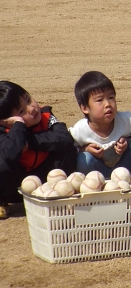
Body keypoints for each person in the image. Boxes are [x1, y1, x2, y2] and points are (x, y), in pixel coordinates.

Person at [0, 81, 77, 219]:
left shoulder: (47, 116)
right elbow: (9, 155)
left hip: (46, 180)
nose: (31, 109)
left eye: (28, 100)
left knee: (67, 150)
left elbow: (64, 137)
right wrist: (19, 125)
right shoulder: (3, 130)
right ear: (6, 121)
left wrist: (29, 142)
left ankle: (61, 193)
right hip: (15, 190)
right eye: (21, 111)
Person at [69, 71, 131, 178]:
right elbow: (68, 151)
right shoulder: (79, 131)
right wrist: (84, 149)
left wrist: (128, 140)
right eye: (99, 100)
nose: (107, 104)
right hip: (98, 175)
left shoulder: (126, 120)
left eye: (111, 97)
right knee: (83, 159)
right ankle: (91, 188)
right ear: (85, 108)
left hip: (126, 170)